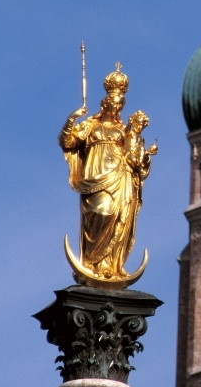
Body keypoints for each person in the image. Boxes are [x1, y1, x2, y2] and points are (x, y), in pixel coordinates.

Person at [59, 63, 153, 279]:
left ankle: (109, 266)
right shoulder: (90, 126)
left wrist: (141, 149)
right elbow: (68, 141)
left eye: (120, 104)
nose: (116, 107)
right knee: (101, 212)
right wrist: (72, 119)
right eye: (113, 103)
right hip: (96, 178)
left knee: (119, 217)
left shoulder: (124, 131)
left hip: (120, 178)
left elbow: (135, 160)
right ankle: (92, 263)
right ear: (105, 103)